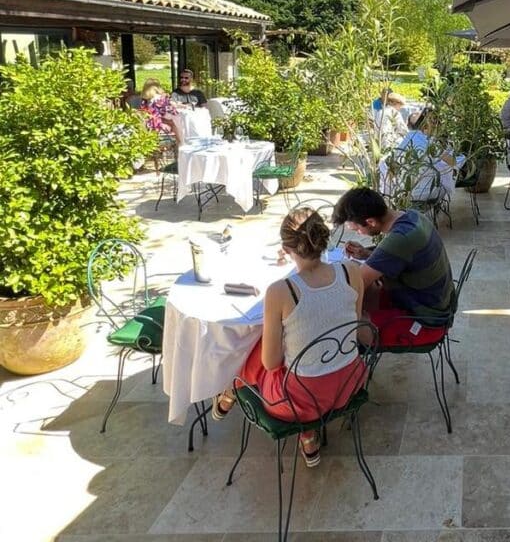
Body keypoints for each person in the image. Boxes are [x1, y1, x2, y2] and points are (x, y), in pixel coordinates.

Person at [211, 208, 368, 468]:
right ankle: (307, 435)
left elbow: (271, 364)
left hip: (298, 402)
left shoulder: (280, 291)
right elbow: (353, 325)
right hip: (349, 384)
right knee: (292, 347)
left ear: (286, 247)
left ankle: (230, 389)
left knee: (253, 346)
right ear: (324, 238)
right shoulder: (351, 271)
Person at [332, 188, 454, 347]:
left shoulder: (400, 239)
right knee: (365, 297)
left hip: (427, 320)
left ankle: (354, 367)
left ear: (371, 222)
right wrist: (366, 254)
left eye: (357, 229)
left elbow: (355, 284)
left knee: (350, 326)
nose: (359, 234)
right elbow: (401, 256)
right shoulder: (412, 216)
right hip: (435, 301)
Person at [139, 79, 183, 144]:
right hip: (158, 125)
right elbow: (170, 112)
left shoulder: (145, 100)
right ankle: (180, 143)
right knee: (175, 123)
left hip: (148, 124)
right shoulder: (160, 98)